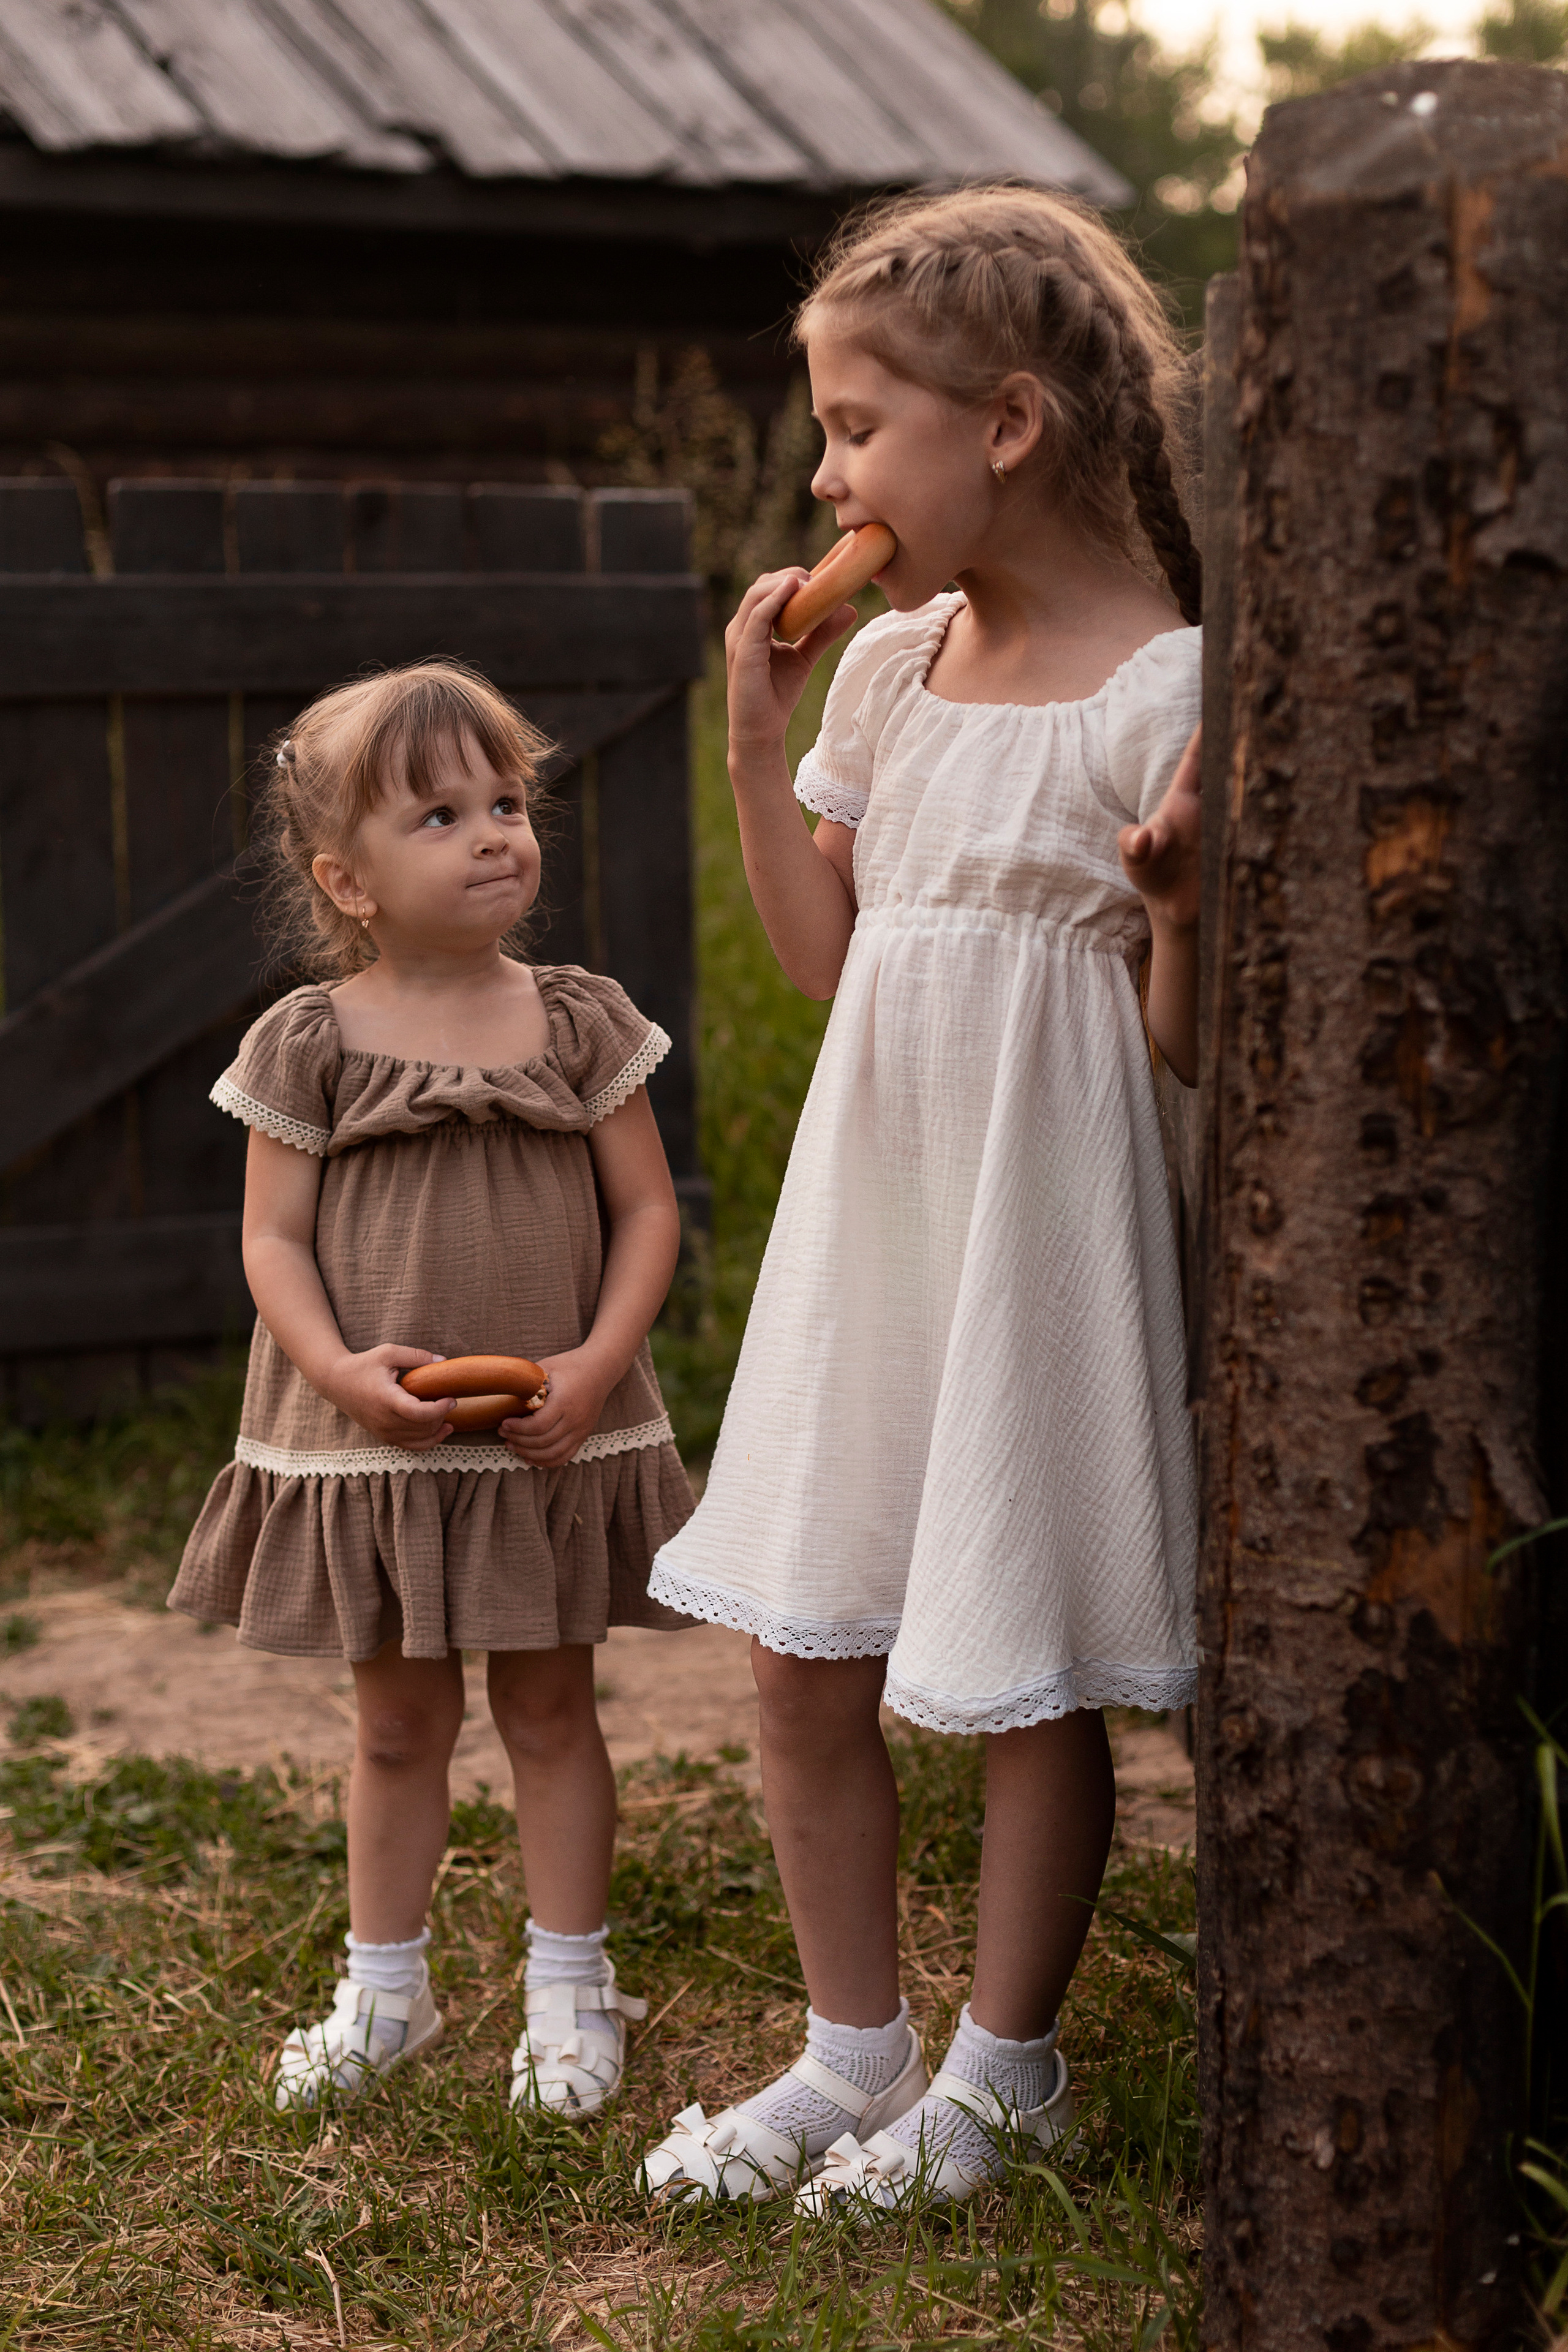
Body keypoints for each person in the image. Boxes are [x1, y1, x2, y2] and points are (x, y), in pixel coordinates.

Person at [638, 186, 1204, 2215]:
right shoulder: (883, 671)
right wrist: (751, 733)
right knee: (805, 1646)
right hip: (878, 1207)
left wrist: (1178, 916)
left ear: (1012, 428)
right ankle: (851, 2048)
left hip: (1040, 1224)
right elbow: (816, 953)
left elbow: (1191, 1046)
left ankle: (1004, 2070)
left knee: (1020, 1647)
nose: (826, 470)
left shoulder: (1166, 694)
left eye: (859, 424)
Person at [170, 660, 694, 2117]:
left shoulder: (580, 1021)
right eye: (442, 814)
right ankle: (384, 1991)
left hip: (544, 1431)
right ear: (345, 878)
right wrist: (337, 1371)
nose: (494, 834)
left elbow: (648, 1213)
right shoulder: (314, 1041)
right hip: (376, 1438)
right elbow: (271, 1239)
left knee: (547, 1711)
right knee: (396, 1724)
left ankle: (569, 1987)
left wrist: (596, 1366)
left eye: (508, 800)